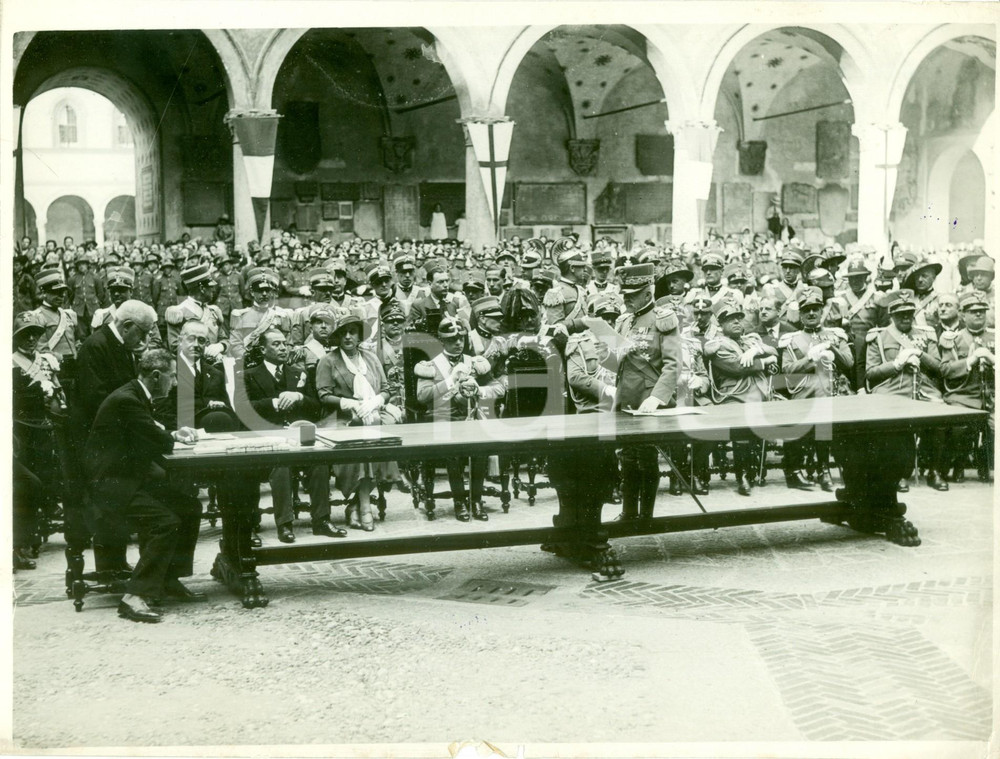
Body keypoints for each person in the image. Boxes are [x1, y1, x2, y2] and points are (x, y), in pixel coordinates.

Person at [86, 348, 203, 623]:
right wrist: (172, 437)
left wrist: (171, 433)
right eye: (172, 377)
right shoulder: (128, 399)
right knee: (166, 522)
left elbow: (148, 431)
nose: (174, 383)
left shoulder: (135, 395)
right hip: (112, 485)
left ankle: (167, 580)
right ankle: (134, 596)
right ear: (156, 375)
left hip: (129, 479)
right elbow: (156, 438)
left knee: (190, 506)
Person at [244, 328, 345, 542]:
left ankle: (322, 520)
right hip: (269, 439)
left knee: (319, 461)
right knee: (281, 465)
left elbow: (316, 407)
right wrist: (273, 402)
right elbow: (245, 409)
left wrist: (299, 396)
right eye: (276, 344)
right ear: (263, 349)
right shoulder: (250, 375)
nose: (283, 348)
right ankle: (284, 524)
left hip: (298, 436)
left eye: (285, 344)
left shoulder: (298, 373)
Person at [316, 312, 402, 531]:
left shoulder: (371, 358)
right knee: (360, 440)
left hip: (372, 413)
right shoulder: (328, 361)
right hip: (341, 418)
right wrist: (349, 403)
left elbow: (386, 390)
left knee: (385, 435)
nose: (348, 337)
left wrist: (374, 402)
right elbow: (324, 395)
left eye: (352, 332)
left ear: (358, 335)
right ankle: (364, 507)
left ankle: (357, 504)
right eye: (343, 333)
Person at [415, 316, 505, 522]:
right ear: (442, 341)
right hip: (442, 419)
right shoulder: (430, 365)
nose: (457, 343)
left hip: (469, 416)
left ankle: (476, 499)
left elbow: (499, 388)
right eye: (452, 340)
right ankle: (459, 501)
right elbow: (422, 396)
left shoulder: (474, 363)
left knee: (480, 448)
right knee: (453, 450)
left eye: (461, 339)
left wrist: (479, 389)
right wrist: (450, 381)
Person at [614, 263, 681, 519]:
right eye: (625, 294)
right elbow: (608, 362)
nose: (627, 299)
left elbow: (673, 365)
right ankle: (628, 513)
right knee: (628, 457)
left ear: (647, 292)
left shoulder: (663, 320)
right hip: (626, 398)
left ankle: (646, 516)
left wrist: (657, 398)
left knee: (646, 457)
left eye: (632, 294)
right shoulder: (623, 321)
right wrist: (617, 353)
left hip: (648, 400)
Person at [866, 289, 949, 492]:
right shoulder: (879, 336)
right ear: (891, 314)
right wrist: (896, 363)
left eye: (908, 313)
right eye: (899, 313)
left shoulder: (926, 334)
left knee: (940, 412)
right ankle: (899, 472)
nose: (905, 317)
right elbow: (871, 373)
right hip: (891, 389)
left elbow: (939, 368)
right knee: (892, 419)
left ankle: (934, 470)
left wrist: (919, 353)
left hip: (923, 388)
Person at [779, 287, 854, 492]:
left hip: (833, 391)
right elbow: (786, 370)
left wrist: (832, 350)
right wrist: (809, 358)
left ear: (822, 312)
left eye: (815, 309)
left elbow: (848, 363)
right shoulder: (791, 340)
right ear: (800, 314)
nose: (811, 313)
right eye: (806, 310)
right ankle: (795, 471)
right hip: (805, 393)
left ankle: (825, 470)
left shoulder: (836, 336)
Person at [705, 301, 778, 496]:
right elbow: (737, 367)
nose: (737, 322)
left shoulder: (750, 340)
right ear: (721, 324)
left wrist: (757, 351)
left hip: (758, 393)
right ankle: (743, 475)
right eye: (730, 319)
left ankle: (752, 469)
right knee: (744, 428)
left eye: (739, 318)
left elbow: (774, 351)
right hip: (734, 395)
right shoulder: (717, 345)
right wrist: (764, 361)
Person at [12, 312, 68, 570]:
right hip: (22, 429)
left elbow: (57, 390)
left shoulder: (46, 360)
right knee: (27, 484)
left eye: (35, 334)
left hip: (46, 425)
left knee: (48, 475)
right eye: (25, 335)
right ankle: (22, 540)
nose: (31, 339)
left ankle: (39, 526)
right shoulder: (11, 363)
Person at [939, 291, 994, 483]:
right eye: (973, 311)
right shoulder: (953, 339)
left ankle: (985, 463)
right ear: (963, 315)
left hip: (992, 397)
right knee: (959, 425)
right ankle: (959, 463)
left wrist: (992, 359)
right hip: (963, 396)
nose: (979, 314)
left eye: (982, 311)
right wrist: (969, 361)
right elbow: (945, 370)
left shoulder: (995, 336)